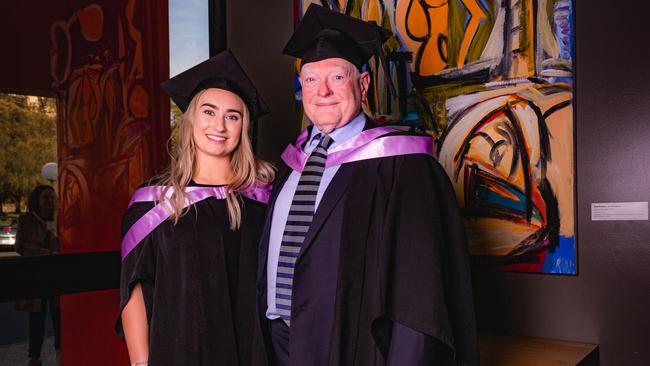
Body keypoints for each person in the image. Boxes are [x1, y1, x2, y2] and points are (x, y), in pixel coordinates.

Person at [255, 4, 478, 365]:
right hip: (278, 339)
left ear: (362, 84)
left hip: (355, 344)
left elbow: (420, 288)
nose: (322, 91)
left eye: (337, 78)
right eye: (311, 79)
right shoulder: (288, 165)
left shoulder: (402, 165)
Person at [116, 50, 274, 366]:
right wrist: (141, 362)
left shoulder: (265, 200)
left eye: (233, 116)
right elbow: (135, 288)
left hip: (253, 351)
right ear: (191, 119)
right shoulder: (155, 203)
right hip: (180, 351)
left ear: (243, 127)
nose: (220, 125)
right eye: (209, 112)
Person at [14, 184, 61, 366]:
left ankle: (60, 356)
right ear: (37, 200)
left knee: (59, 318)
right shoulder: (26, 220)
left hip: (57, 277)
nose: (49, 201)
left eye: (52, 198)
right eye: (45, 198)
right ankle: (34, 357)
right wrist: (45, 253)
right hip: (35, 277)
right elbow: (20, 247)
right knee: (36, 319)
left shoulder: (60, 219)